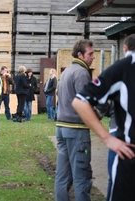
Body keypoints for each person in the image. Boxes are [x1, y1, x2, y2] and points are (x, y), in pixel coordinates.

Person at [72, 34, 135, 201]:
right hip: (128, 155)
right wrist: (107, 137)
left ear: (125, 48)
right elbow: (81, 100)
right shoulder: (124, 69)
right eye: (91, 54)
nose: (93, 57)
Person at [54, 39, 95, 201]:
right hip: (76, 130)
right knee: (82, 177)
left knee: (62, 176)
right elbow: (86, 102)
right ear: (80, 54)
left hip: (61, 127)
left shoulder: (67, 71)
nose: (93, 57)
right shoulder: (81, 73)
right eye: (90, 54)